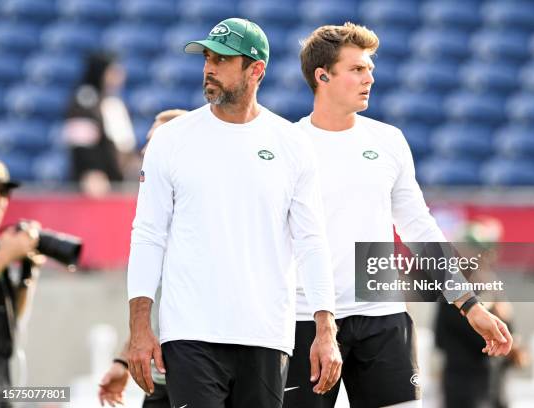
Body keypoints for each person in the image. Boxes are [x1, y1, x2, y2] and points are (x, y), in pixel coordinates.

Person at [283, 23, 513, 408]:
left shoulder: (388, 141)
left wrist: (469, 303)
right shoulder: (289, 146)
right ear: (322, 76)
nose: (369, 77)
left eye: (369, 68)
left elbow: (419, 227)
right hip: (304, 318)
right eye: (357, 68)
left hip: (383, 315)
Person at [126, 18, 341, 408]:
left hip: (266, 334)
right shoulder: (172, 140)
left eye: (223, 59)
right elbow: (148, 234)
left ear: (256, 70)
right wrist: (139, 326)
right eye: (207, 57)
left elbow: (312, 242)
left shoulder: (292, 144)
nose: (209, 68)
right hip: (189, 333)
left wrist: (326, 329)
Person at [97, 109, 188, 408]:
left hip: (199, 376)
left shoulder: (201, 224)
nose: (146, 149)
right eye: (148, 140)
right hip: (161, 379)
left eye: (157, 140)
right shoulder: (157, 219)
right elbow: (154, 306)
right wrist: (124, 360)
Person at [435, 217, 529, 408]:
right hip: (464, 384)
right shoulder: (455, 293)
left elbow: (507, 329)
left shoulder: (490, 287)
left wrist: (513, 346)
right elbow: (444, 337)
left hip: (492, 384)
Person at [0, 160, 40, 408]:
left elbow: (14, 317)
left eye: (3, 192)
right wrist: (5, 256)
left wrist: (28, 273)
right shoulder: (0, 251)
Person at [62, 52, 137, 197]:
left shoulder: (115, 102)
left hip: (118, 182)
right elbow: (81, 143)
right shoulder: (83, 101)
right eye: (113, 70)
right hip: (96, 185)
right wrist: (91, 171)